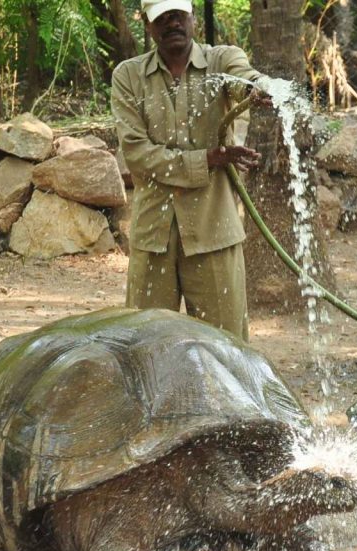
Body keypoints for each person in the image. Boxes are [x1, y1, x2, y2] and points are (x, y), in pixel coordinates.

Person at [111, 0, 268, 342]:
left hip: (215, 232)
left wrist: (255, 89)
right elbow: (137, 154)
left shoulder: (221, 59)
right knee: (145, 345)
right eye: (162, 18)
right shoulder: (128, 76)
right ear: (147, 25)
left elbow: (241, 79)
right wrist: (207, 160)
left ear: (193, 18)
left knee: (226, 348)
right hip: (154, 236)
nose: (172, 24)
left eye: (178, 15)